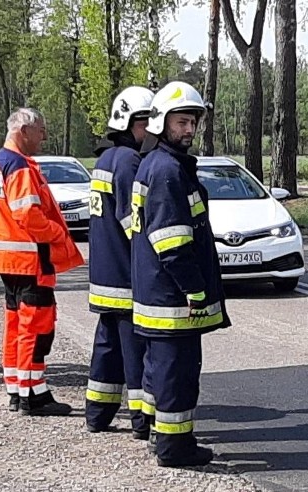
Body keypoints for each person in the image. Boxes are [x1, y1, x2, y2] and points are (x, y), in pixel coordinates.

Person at [131, 81, 231, 467]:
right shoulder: (168, 170)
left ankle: (161, 434)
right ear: (161, 122)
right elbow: (171, 242)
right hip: (172, 301)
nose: (189, 130)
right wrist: (194, 289)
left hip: (157, 294)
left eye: (193, 123)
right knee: (178, 374)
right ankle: (175, 447)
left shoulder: (157, 165)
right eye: (182, 122)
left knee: (161, 371)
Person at [0, 107, 84, 416]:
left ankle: (16, 388)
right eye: (40, 130)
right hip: (30, 259)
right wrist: (56, 232)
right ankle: (32, 394)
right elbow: (28, 214)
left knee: (16, 324)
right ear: (23, 132)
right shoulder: (19, 167)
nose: (44, 137)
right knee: (37, 327)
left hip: (7, 260)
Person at [85, 86, 155, 436]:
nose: (152, 129)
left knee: (107, 347)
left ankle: (97, 413)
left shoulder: (104, 159)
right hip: (126, 279)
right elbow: (134, 225)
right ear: (129, 124)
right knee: (135, 353)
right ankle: (143, 421)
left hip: (103, 275)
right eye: (147, 122)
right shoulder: (129, 162)